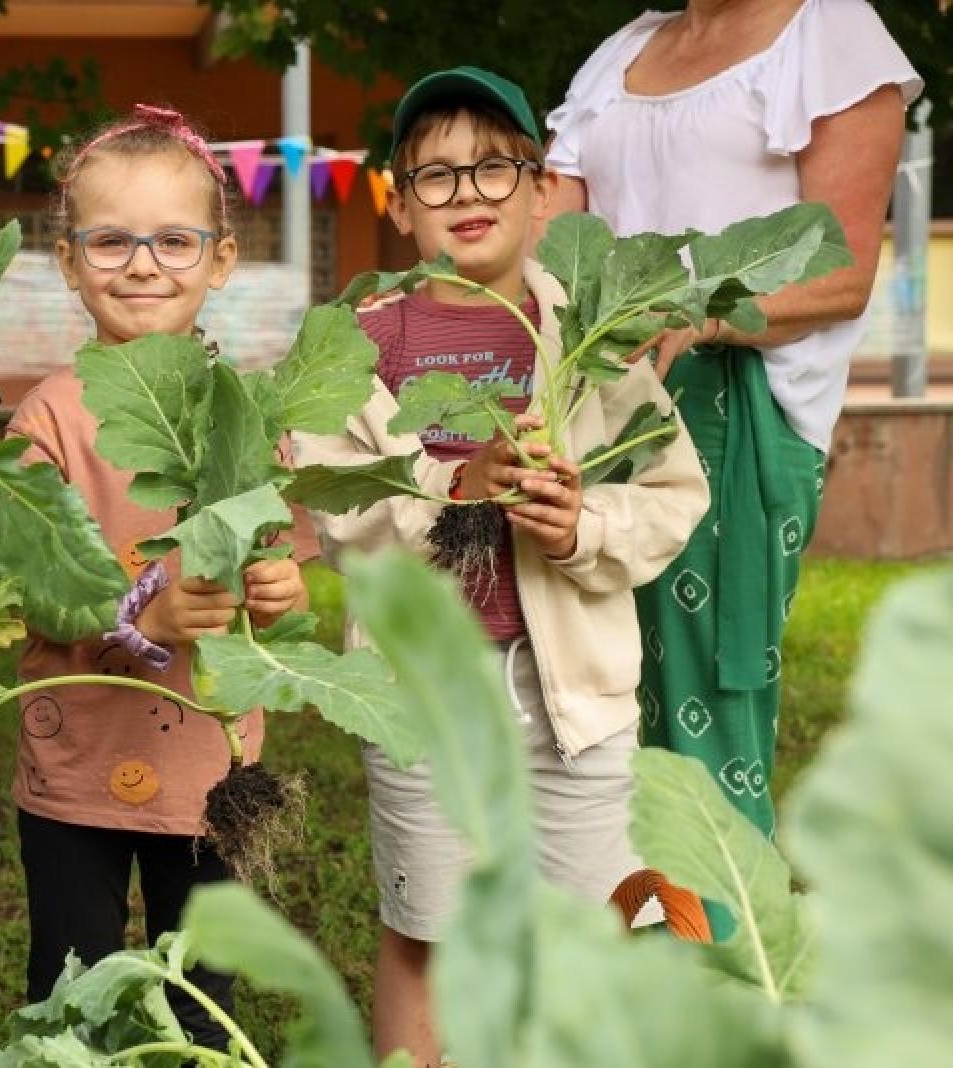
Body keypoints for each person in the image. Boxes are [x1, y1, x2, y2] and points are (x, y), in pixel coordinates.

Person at [293, 68, 709, 1066]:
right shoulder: (359, 345)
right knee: (429, 934)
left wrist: (579, 527)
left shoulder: (597, 343)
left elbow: (671, 495)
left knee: (601, 923)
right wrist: (454, 487)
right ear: (399, 206)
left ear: (541, 193)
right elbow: (333, 508)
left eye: (494, 168)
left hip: (576, 699)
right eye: (434, 175)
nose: (467, 193)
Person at [544, 0, 922, 855]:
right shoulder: (623, 52)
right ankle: (627, 925)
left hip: (727, 400)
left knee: (700, 726)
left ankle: (721, 930)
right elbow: (549, 238)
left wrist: (699, 315)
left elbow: (841, 272)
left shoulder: (831, 32)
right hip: (592, 400)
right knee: (592, 705)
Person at [0, 104, 316, 1047]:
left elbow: (276, 573)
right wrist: (141, 622)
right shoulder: (46, 417)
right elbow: (33, 586)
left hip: (212, 772)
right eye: (111, 241)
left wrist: (278, 594)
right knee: (71, 987)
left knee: (202, 998)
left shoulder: (248, 408)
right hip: (76, 766)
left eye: (174, 241)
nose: (142, 265)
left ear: (220, 259)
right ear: (68, 260)